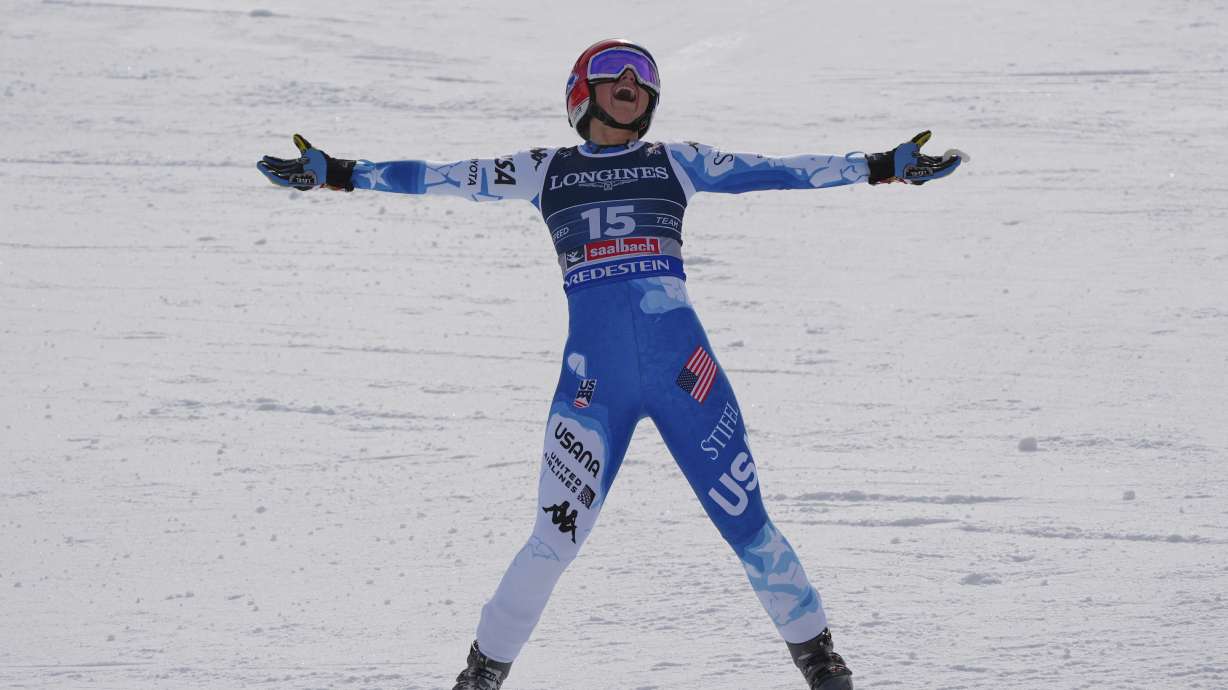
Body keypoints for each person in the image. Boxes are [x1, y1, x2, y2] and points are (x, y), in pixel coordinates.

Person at [258, 38, 961, 690]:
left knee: (748, 523)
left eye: (643, 76)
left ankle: (821, 662)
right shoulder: (544, 171)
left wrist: (882, 167)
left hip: (688, 373)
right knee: (552, 539)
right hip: (593, 387)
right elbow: (442, 177)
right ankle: (480, 675)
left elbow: (775, 171)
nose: (630, 82)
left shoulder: (675, 162)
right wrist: (341, 175)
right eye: (614, 72)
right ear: (580, 94)